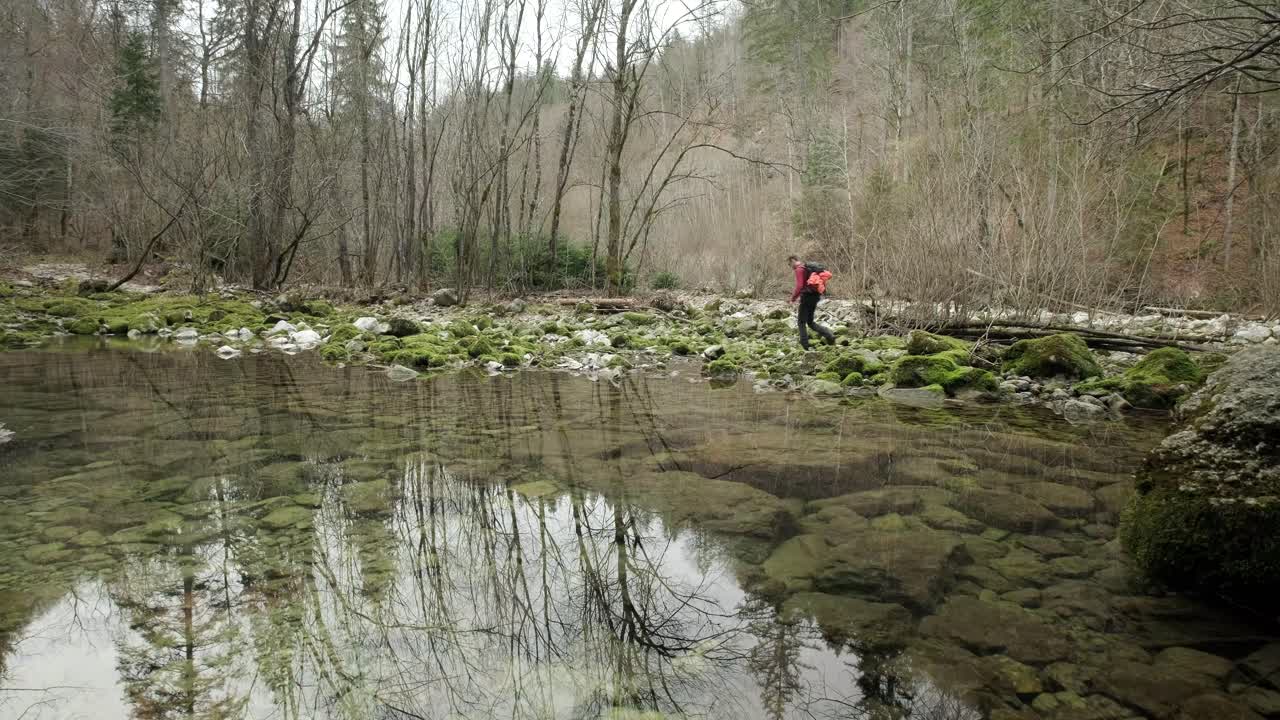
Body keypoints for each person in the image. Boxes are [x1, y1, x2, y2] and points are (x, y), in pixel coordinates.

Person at [788, 255, 835, 349]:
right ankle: (829, 335)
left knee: (801, 322)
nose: (790, 267)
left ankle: (804, 345)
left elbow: (800, 286)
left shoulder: (799, 269)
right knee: (810, 322)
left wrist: (792, 299)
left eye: (790, 264)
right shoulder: (807, 268)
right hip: (815, 296)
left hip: (807, 297)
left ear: (793, 261)